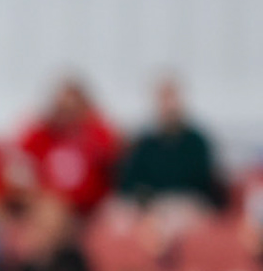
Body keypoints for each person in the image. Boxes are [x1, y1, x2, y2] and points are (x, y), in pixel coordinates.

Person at [116, 76, 226, 215]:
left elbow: (204, 183)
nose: (168, 106)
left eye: (171, 99)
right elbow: (129, 183)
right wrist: (145, 198)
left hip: (187, 204)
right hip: (151, 205)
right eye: (164, 100)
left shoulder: (196, 142)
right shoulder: (145, 145)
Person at [17, 79, 120, 217]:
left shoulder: (98, 134)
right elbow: (19, 163)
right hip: (50, 204)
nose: (66, 116)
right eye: (61, 109)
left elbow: (115, 164)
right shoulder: (40, 135)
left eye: (71, 110)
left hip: (91, 207)